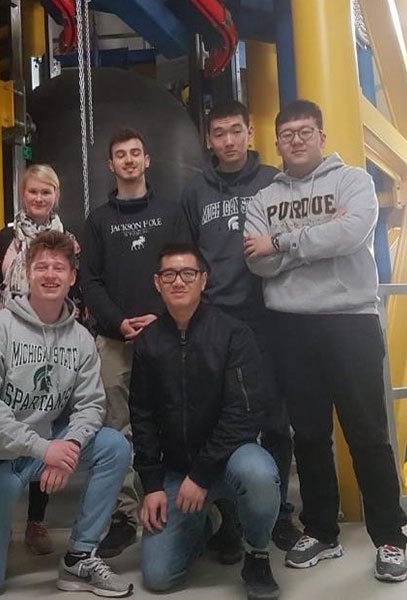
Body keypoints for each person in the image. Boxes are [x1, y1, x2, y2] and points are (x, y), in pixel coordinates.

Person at [244, 99, 407, 582]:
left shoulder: (353, 180)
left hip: (350, 320)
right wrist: (317, 236)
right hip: (291, 327)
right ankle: (321, 531)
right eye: (287, 133)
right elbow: (256, 262)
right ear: (276, 143)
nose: (296, 140)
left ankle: (390, 538)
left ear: (322, 136)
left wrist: (283, 242)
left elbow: (354, 234)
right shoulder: (263, 198)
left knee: (368, 436)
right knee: (310, 436)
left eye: (305, 131)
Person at [0, 230, 134, 598]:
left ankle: (79, 557)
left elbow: (91, 404)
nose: (50, 274)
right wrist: (45, 450)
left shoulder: (82, 339)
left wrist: (67, 445)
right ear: (27, 273)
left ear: (72, 276)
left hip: (37, 450)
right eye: (42, 267)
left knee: (114, 446)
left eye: (59, 267)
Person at [181, 100, 301, 561]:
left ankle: (280, 514)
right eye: (219, 133)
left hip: (268, 317)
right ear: (208, 140)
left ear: (250, 133)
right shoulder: (195, 192)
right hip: (215, 322)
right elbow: (188, 257)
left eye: (236, 131)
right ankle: (231, 519)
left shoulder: (275, 180)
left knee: (274, 420)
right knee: (219, 421)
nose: (228, 141)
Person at [130, 243, 281, 599]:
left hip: (229, 462)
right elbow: (143, 417)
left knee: (259, 474)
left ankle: (257, 553)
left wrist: (200, 475)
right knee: (159, 577)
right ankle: (208, 522)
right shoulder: (148, 343)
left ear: (203, 280)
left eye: (188, 273)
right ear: (157, 283)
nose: (178, 281)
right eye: (169, 275)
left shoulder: (232, 333)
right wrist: (151, 484)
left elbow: (244, 413)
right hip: (175, 471)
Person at [81, 127, 191, 557]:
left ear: (147, 161)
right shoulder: (98, 220)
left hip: (168, 335)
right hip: (113, 341)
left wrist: (163, 316)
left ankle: (177, 502)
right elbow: (88, 279)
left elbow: (186, 267)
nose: (128, 160)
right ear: (111, 166)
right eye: (120, 155)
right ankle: (124, 515)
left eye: (135, 154)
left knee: (174, 418)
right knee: (114, 430)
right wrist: (118, 321)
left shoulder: (170, 211)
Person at [0, 164, 83, 555]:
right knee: (3, 429)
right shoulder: (2, 237)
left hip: (53, 345)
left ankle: (36, 520)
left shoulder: (70, 241)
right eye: (33, 192)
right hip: (8, 346)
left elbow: (79, 292)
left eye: (47, 192)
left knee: (43, 430)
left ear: (57, 195)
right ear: (22, 194)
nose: (39, 199)